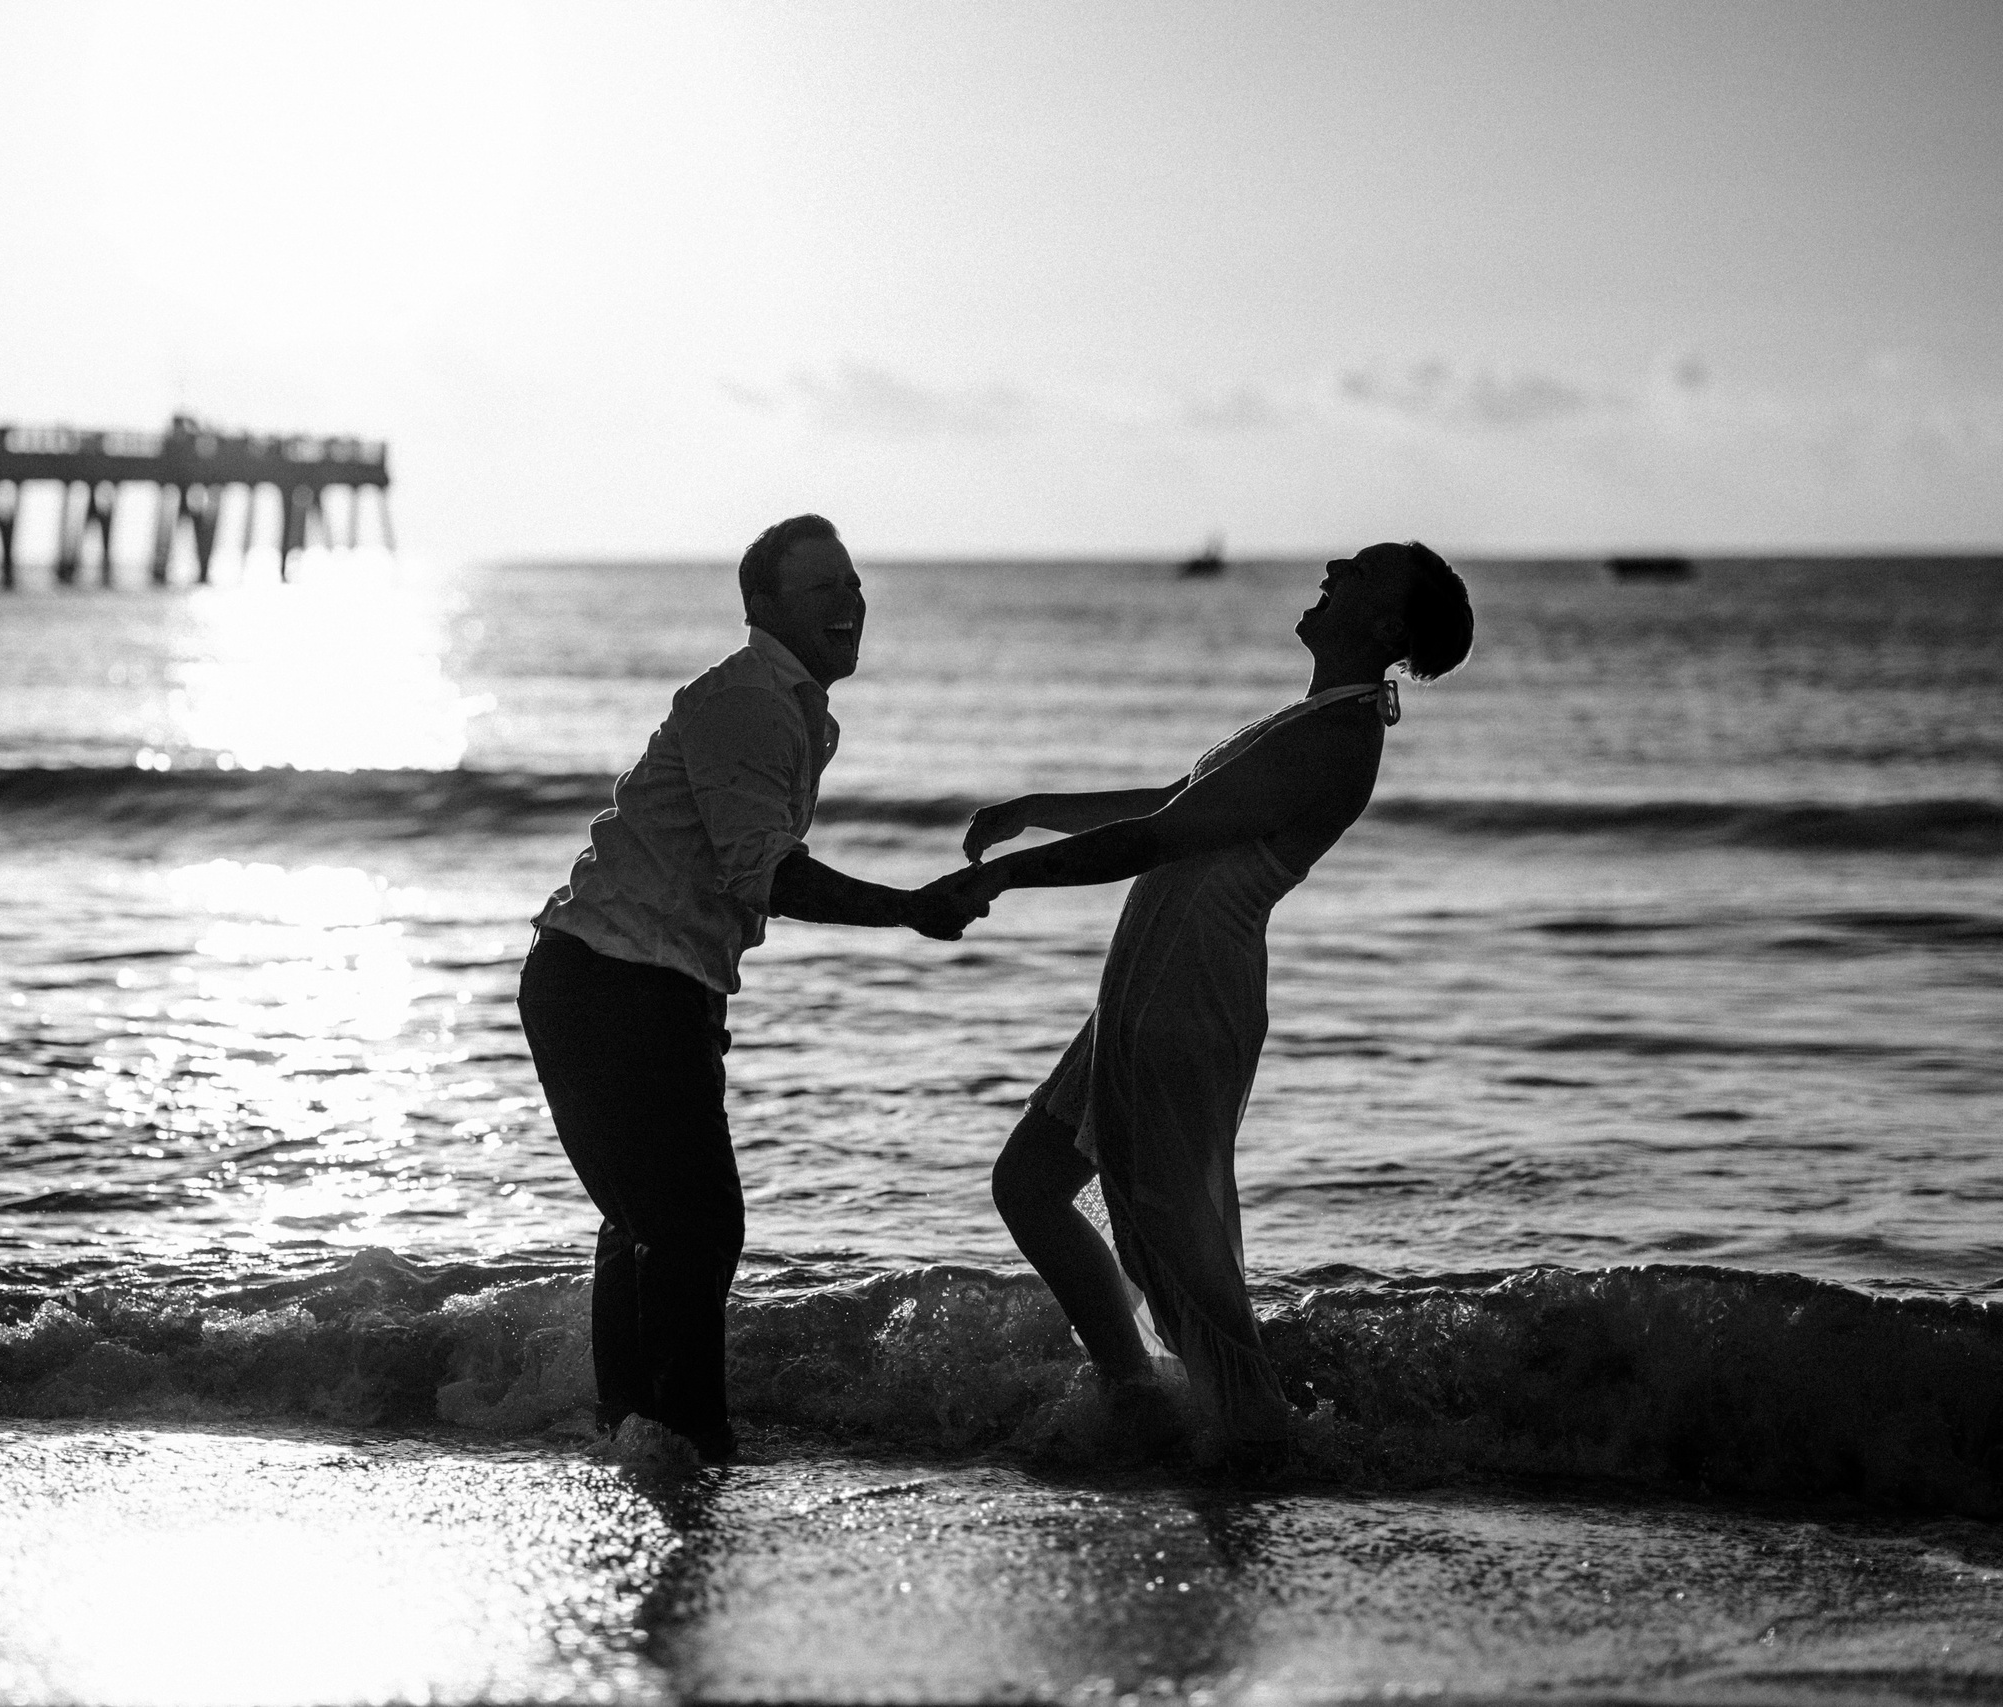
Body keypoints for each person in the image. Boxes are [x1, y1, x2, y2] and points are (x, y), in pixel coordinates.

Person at [958, 541, 1473, 1458]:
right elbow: (1172, 801)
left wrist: (999, 881)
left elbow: (1152, 840)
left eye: (1360, 569)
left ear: (1389, 624)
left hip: (1187, 998)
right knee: (1032, 1184)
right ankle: (1135, 1395)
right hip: (1151, 977)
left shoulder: (1335, 737)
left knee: (1175, 1252)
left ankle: (1254, 1449)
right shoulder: (1312, 715)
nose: (1334, 566)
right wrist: (1035, 806)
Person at [519, 513, 987, 1464]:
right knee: (697, 1230)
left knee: (655, 1224)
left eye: (855, 587)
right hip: (613, 978)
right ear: (764, 608)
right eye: (827, 593)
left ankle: (639, 1430)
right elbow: (762, 873)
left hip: (636, 978)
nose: (851, 606)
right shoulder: (751, 703)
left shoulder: (793, 708)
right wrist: (909, 909)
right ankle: (685, 1438)